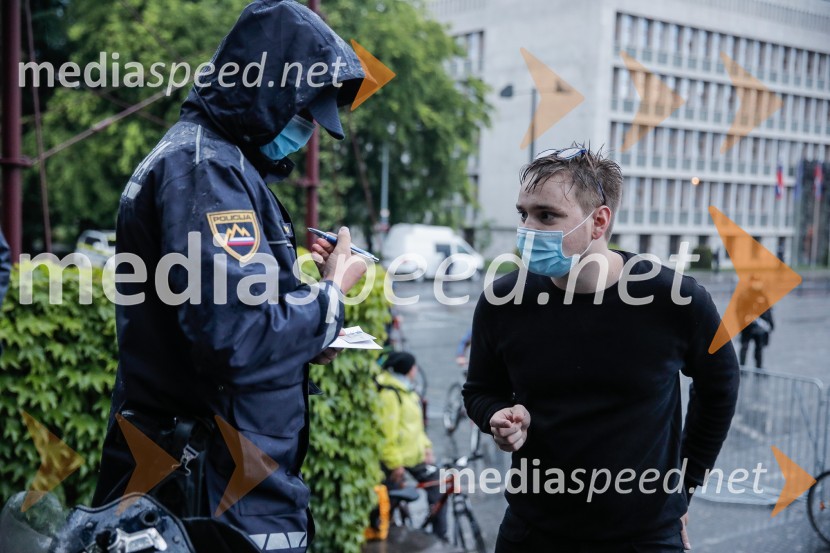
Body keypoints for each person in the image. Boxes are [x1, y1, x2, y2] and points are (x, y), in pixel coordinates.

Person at [93, 1, 368, 550]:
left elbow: (230, 324)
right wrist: (333, 294)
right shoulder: (207, 169)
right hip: (208, 490)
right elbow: (237, 336)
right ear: (268, 86)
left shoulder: (211, 164)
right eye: (303, 114)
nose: (307, 132)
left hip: (217, 479)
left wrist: (306, 321)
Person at [463, 145, 740, 553]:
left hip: (643, 539)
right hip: (533, 533)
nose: (527, 229)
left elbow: (721, 386)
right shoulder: (503, 300)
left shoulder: (674, 299)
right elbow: (480, 390)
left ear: (599, 221)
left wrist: (684, 486)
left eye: (546, 215)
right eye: (523, 213)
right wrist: (496, 417)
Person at [376, 352, 447, 540]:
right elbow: (386, 433)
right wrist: (395, 464)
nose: (416, 370)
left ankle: (440, 536)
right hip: (396, 459)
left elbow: (416, 427)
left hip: (413, 455)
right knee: (389, 503)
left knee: (438, 483)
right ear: (408, 369)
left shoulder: (407, 390)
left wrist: (427, 448)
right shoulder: (390, 394)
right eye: (414, 366)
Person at [737, 275, 774, 369]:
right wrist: (744, 319)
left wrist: (770, 323)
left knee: (759, 348)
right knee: (744, 346)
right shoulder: (744, 295)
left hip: (760, 329)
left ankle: (759, 368)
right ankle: (742, 368)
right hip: (747, 328)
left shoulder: (763, 295)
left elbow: (768, 311)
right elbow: (739, 310)